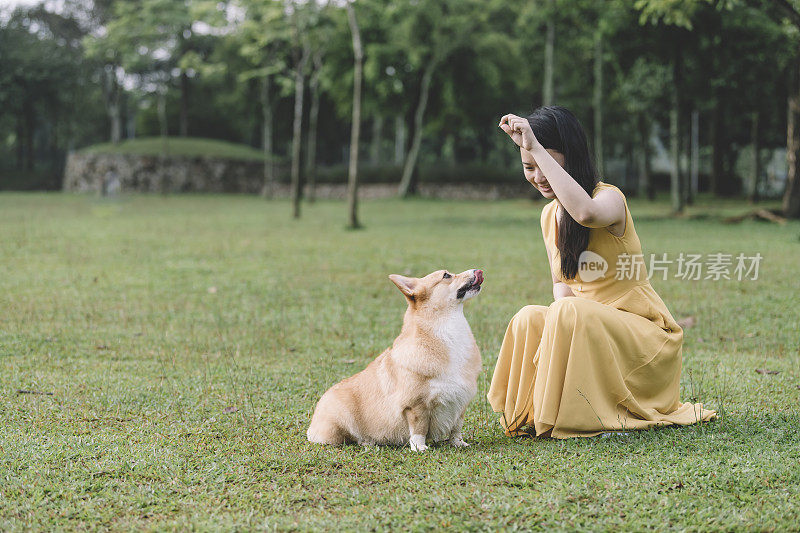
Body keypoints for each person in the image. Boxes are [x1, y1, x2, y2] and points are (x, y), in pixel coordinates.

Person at [487, 105, 715, 438]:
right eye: (528, 167)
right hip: (590, 329)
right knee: (530, 317)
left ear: (571, 158)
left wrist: (534, 145)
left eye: (545, 164)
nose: (538, 177)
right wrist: (557, 338)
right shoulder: (549, 217)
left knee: (568, 311)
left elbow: (585, 213)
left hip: (643, 340)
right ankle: (539, 412)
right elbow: (562, 287)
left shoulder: (609, 199)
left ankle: (595, 414)